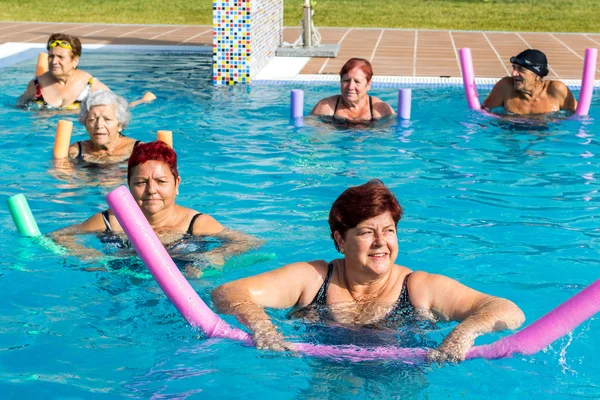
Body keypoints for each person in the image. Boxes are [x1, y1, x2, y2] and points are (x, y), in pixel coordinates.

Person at [211, 180, 525, 362]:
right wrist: (263, 327)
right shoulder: (314, 279)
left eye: (388, 231)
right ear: (340, 240)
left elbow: (507, 311)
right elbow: (227, 292)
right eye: (365, 233)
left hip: (399, 386)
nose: (381, 243)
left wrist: (464, 332)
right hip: (328, 384)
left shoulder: (418, 288)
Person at [52, 141, 261, 275]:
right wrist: (86, 254)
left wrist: (217, 255)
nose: (151, 190)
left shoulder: (195, 224)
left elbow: (249, 241)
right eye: (141, 182)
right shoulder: (111, 222)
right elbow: (59, 236)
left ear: (177, 184)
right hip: (121, 284)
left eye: (161, 182)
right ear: (129, 186)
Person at [18, 33, 154, 110]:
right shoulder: (36, 85)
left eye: (60, 57)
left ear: (75, 61)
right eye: (51, 56)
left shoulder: (90, 86)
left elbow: (120, 107)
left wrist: (142, 101)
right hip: (40, 139)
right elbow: (18, 108)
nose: (54, 62)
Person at [483, 49, 577, 115]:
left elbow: (578, 116)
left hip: (545, 137)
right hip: (511, 134)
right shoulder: (505, 87)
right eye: (514, 68)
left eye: (521, 69)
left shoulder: (555, 90)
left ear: (537, 75)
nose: (514, 73)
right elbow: (483, 114)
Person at [61, 90, 141, 164]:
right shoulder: (75, 151)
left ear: (120, 125)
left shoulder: (138, 150)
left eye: (107, 119)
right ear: (85, 125)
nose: (99, 125)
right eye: (92, 120)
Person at [310, 58, 395, 122]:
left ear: (368, 84)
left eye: (357, 82)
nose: (350, 87)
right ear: (340, 81)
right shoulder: (326, 107)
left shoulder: (382, 111)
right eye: (346, 81)